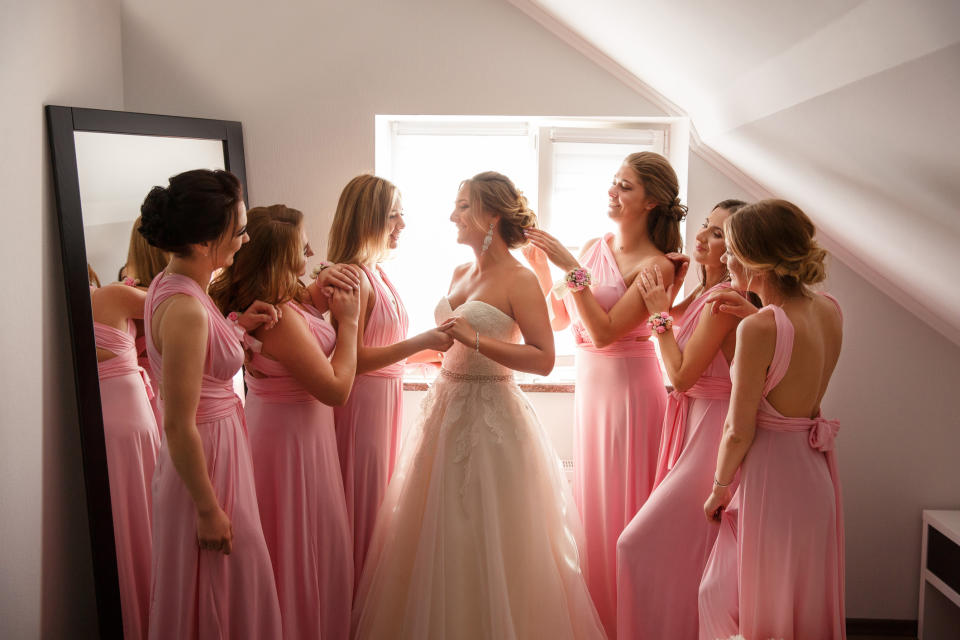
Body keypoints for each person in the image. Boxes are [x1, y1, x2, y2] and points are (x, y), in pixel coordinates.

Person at [352, 171, 605, 640]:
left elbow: (545, 360)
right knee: (434, 539)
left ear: (491, 215)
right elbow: (448, 345)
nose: (453, 214)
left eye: (463, 205)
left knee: (491, 540)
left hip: (494, 421)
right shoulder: (458, 273)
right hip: (443, 413)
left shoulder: (520, 279)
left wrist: (477, 339)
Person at [523, 151, 684, 636]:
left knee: (626, 512)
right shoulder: (596, 245)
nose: (612, 192)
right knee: (592, 515)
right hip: (591, 399)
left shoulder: (660, 266)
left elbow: (604, 332)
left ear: (652, 201)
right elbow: (559, 320)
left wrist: (569, 265)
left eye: (625, 186)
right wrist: (539, 269)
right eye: (613, 183)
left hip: (631, 400)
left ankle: (631, 624)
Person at [139, 169, 283, 639]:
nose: (244, 240)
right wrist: (207, 508)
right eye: (238, 230)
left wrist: (237, 328)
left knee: (227, 582)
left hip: (218, 448)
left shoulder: (175, 283)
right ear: (203, 242)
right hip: (204, 461)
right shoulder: (183, 308)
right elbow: (178, 423)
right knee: (223, 584)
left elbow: (199, 368)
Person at [209, 204, 359, 640]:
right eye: (302, 244)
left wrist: (315, 291)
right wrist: (348, 325)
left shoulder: (283, 297)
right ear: (279, 255)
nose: (311, 249)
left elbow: (302, 317)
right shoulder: (279, 317)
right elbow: (335, 389)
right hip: (289, 441)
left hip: (295, 432)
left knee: (306, 539)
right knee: (296, 544)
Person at [698, 199, 845, 640]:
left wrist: (719, 489)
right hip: (814, 475)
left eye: (731, 250)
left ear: (756, 261)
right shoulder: (830, 310)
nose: (724, 259)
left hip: (772, 482)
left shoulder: (760, 327)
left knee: (746, 600)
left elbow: (737, 429)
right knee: (795, 600)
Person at [616, 200, 750, 640]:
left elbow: (681, 374)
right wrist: (669, 297)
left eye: (715, 234)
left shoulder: (725, 302)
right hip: (692, 424)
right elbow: (677, 326)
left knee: (634, 544)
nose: (701, 237)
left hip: (711, 431)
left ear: (735, 248)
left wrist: (657, 311)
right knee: (692, 552)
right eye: (705, 227)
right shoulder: (704, 294)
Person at [323, 174, 453, 583]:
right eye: (393, 216)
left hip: (384, 402)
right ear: (368, 219)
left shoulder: (377, 272)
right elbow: (354, 360)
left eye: (402, 214)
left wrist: (436, 352)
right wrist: (421, 342)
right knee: (363, 501)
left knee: (379, 504)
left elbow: (389, 346)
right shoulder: (352, 277)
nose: (401, 225)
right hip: (360, 405)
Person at [90, 276, 160, 640]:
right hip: (131, 425)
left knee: (125, 523)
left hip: (104, 430)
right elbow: (172, 302)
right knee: (146, 517)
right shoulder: (112, 296)